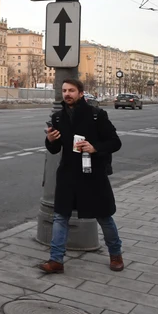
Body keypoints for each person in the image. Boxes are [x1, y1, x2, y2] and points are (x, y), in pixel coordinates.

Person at [40, 78, 124, 274]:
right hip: (68, 175)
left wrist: (95, 148)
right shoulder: (58, 118)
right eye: (64, 91)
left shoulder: (97, 115)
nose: (67, 94)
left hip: (93, 175)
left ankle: (116, 254)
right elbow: (54, 149)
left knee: (104, 217)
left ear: (80, 93)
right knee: (61, 217)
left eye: (71, 90)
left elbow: (115, 142)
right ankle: (56, 260)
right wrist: (50, 139)